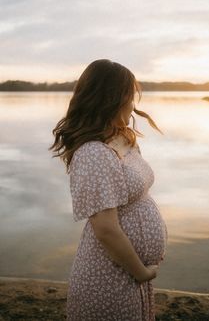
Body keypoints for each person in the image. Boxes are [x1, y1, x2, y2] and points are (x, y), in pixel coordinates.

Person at [49, 59, 168, 320]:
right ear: (110, 99)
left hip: (127, 274)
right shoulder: (93, 153)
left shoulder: (119, 138)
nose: (132, 104)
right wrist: (141, 271)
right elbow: (105, 228)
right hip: (110, 277)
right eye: (128, 96)